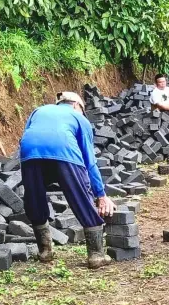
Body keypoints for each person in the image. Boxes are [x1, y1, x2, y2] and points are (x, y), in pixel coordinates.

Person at [19, 91, 116, 269]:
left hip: (29, 152)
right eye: (82, 110)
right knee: (80, 194)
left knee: (34, 196)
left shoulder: (39, 111)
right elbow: (90, 161)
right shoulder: (79, 118)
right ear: (75, 105)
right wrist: (101, 194)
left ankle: (45, 251)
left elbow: (29, 135)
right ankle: (96, 255)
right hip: (63, 149)